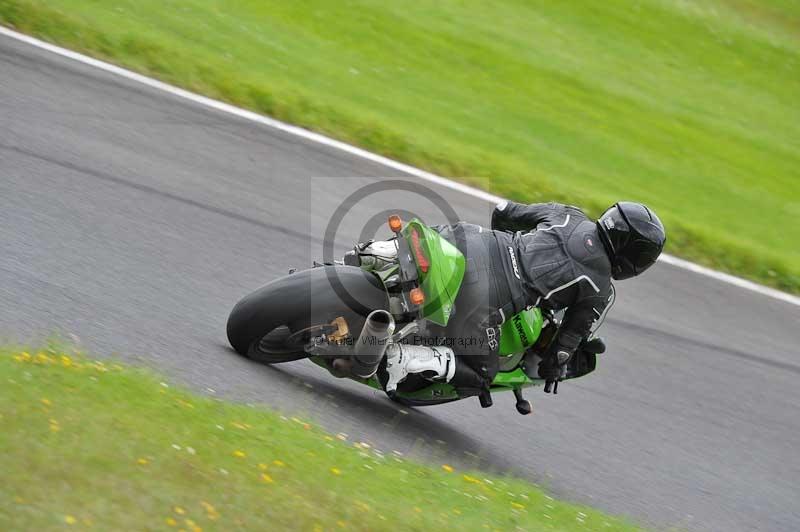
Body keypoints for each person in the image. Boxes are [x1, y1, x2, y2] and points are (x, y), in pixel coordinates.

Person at [382, 201, 666, 403]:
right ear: (635, 257)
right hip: (484, 298)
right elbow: (566, 345)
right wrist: (553, 368)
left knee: (424, 243)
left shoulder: (569, 215)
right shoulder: (599, 288)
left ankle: (378, 254)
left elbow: (505, 211)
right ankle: (404, 358)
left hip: (470, 239)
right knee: (483, 374)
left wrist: (508, 241)